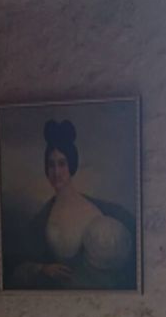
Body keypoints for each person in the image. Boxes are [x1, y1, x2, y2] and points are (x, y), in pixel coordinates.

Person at [8, 119, 136, 289]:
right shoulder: (42, 220)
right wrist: (43, 269)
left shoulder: (102, 209)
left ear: (72, 165)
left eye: (62, 164)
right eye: (51, 165)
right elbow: (17, 265)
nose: (56, 172)